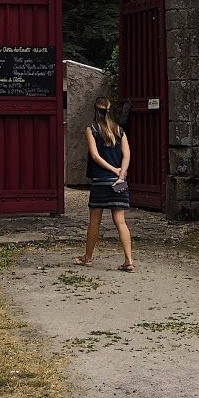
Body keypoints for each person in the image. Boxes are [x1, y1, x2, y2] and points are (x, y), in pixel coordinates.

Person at [77, 96, 136, 271]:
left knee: (94, 221)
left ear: (95, 110)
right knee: (121, 221)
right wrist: (121, 173)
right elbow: (127, 155)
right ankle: (129, 261)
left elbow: (95, 156)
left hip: (101, 181)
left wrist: (112, 170)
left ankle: (87, 258)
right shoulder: (120, 131)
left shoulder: (92, 129)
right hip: (119, 182)